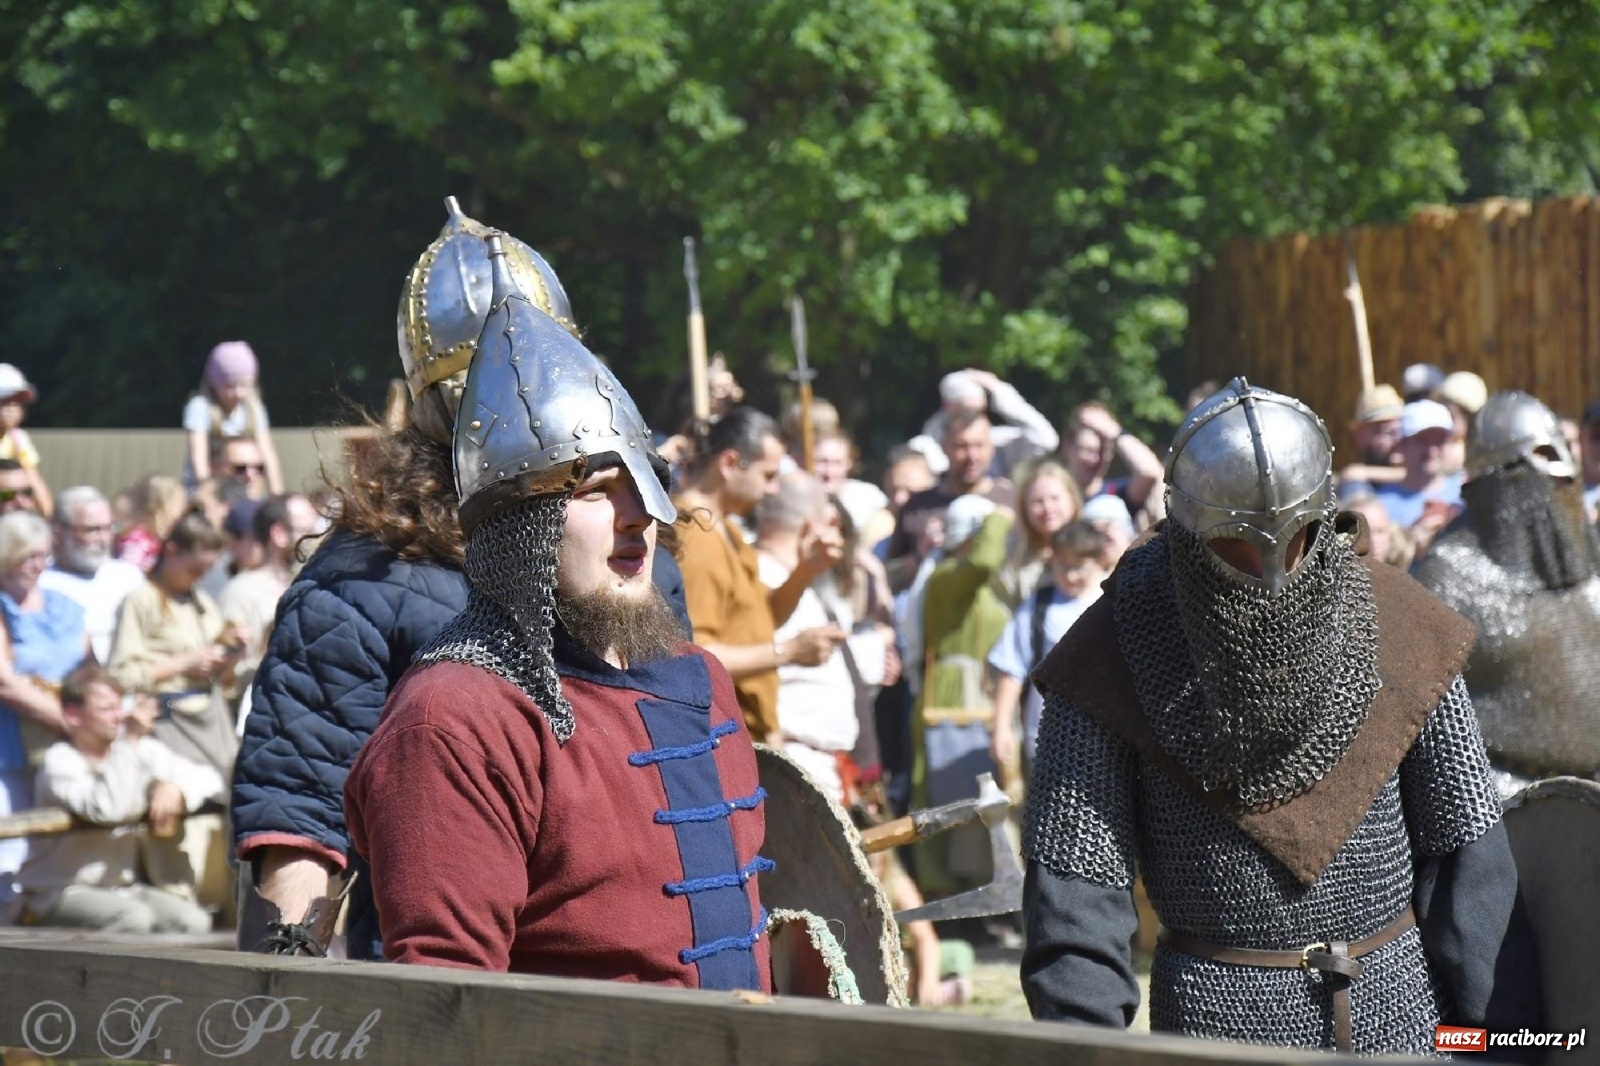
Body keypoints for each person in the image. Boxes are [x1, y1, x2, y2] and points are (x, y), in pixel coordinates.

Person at [1021, 378, 1541, 1054]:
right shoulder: (1115, 654)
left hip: (1402, 1020)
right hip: (1218, 1028)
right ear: (1186, 527)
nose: (1270, 571)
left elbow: (1474, 888)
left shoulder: (1402, 628)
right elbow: (1076, 912)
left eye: (1294, 536)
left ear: (1323, 515)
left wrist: (1505, 1046)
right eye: (1235, 541)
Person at [232, 198, 689, 959]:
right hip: (451, 953)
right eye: (489, 373)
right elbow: (306, 802)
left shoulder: (639, 565)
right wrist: (294, 969)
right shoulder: (361, 587)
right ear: (448, 400)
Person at [345, 234, 771, 987]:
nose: (638, 514)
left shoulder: (698, 677)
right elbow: (449, 1006)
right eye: (595, 489)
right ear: (519, 523)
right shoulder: (457, 719)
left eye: (643, 481)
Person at [1411, 390, 1600, 799]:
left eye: (1563, 452)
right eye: (1543, 457)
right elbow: (1413, 717)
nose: (1561, 472)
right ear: (1502, 478)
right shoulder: (1448, 574)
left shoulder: (1589, 559)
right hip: (1498, 798)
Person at [673, 407, 845, 744]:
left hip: (748, 736)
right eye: (768, 476)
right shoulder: (695, 537)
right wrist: (790, 651)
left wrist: (805, 570)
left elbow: (760, 618)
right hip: (722, 736)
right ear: (729, 463)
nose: (772, 490)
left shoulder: (728, 532)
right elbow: (696, 655)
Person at [7, 664, 220, 932]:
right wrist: (129, 740)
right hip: (57, 893)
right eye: (106, 709)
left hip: (120, 891)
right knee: (133, 919)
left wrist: (176, 789)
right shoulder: (60, 762)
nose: (118, 717)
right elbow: (108, 808)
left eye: (119, 707)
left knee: (193, 922)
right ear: (73, 716)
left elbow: (211, 779)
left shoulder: (134, 750)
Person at [109, 511, 245, 918]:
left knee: (219, 819)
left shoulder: (201, 601)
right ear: (171, 551)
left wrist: (229, 653)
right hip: (168, 727)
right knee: (184, 822)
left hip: (210, 724)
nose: (200, 577)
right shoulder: (142, 600)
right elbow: (120, 674)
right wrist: (181, 663)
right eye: (194, 567)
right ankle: (184, 906)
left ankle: (220, 905)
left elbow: (218, 674)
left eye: (207, 569)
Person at [909, 495, 1012, 898]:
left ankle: (979, 888)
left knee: (980, 799)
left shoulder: (971, 580)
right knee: (939, 792)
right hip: (951, 695)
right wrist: (1001, 515)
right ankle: (940, 891)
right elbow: (984, 561)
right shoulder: (948, 574)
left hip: (980, 694)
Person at [755, 473, 864, 803]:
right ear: (818, 522)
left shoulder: (796, 579)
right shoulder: (760, 573)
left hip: (821, 766)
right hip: (791, 763)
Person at [0, 511, 90, 902]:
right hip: (11, 747)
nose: (37, 565)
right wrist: (68, 723)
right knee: (13, 849)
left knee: (61, 846)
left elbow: (90, 668)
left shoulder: (64, 605)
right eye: (27, 557)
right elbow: (5, 682)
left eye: (42, 555)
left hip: (65, 745)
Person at [988, 521, 1107, 777]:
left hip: (1106, 739)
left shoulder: (1111, 600)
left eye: (1080, 568)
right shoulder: (1038, 606)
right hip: (1046, 739)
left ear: (1098, 561)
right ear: (1052, 559)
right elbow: (1011, 667)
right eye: (1064, 566)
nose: (1072, 576)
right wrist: (1001, 727)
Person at [40, 486, 146, 665]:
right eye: (92, 530)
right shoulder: (40, 582)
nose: (104, 538)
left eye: (108, 528)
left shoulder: (128, 577)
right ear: (58, 534)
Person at [909, 369, 1060, 481]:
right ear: (948, 408)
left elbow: (1046, 440)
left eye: (979, 412)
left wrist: (997, 388)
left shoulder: (998, 441)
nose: (972, 455)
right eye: (964, 412)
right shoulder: (924, 447)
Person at [184, 341, 284, 494]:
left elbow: (268, 455)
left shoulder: (253, 409)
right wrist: (208, 494)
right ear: (214, 384)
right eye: (230, 386)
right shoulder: (201, 407)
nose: (238, 392)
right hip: (204, 487)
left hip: (244, 487)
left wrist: (276, 496)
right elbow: (198, 456)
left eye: (244, 386)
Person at [1371, 398, 1462, 549]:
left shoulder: (1466, 496)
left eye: (1439, 441)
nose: (1431, 451)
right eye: (1422, 441)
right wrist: (1407, 544)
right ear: (1402, 446)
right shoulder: (1380, 508)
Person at [993, 459, 1083, 610]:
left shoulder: (1096, 548)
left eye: (1055, 498)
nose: (1047, 508)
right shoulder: (1014, 562)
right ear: (1025, 509)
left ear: (1072, 500)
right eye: (1038, 502)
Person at [1059, 401, 1164, 525]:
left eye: (1102, 452)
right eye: (1088, 450)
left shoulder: (1115, 494)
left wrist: (1115, 431)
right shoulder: (1054, 498)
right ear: (1067, 447)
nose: (1095, 459)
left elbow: (1150, 473)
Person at [0, 365, 50, 519]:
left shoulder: (18, 439)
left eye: (17, 403)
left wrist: (48, 521)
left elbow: (34, 482)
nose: (12, 409)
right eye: (5, 402)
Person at [115, 474, 187, 572]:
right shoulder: (137, 541)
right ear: (158, 509)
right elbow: (128, 575)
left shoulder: (157, 541)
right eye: (179, 505)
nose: (182, 513)